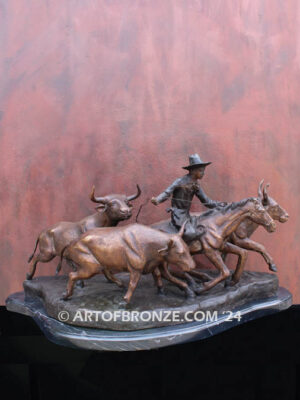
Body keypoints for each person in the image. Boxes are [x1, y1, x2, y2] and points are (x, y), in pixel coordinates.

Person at [151, 154, 227, 241]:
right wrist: (157, 200)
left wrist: (220, 205)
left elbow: (206, 201)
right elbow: (167, 192)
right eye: (201, 171)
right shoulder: (180, 181)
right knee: (190, 233)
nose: (203, 173)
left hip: (187, 215)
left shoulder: (195, 184)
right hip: (178, 214)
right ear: (193, 171)